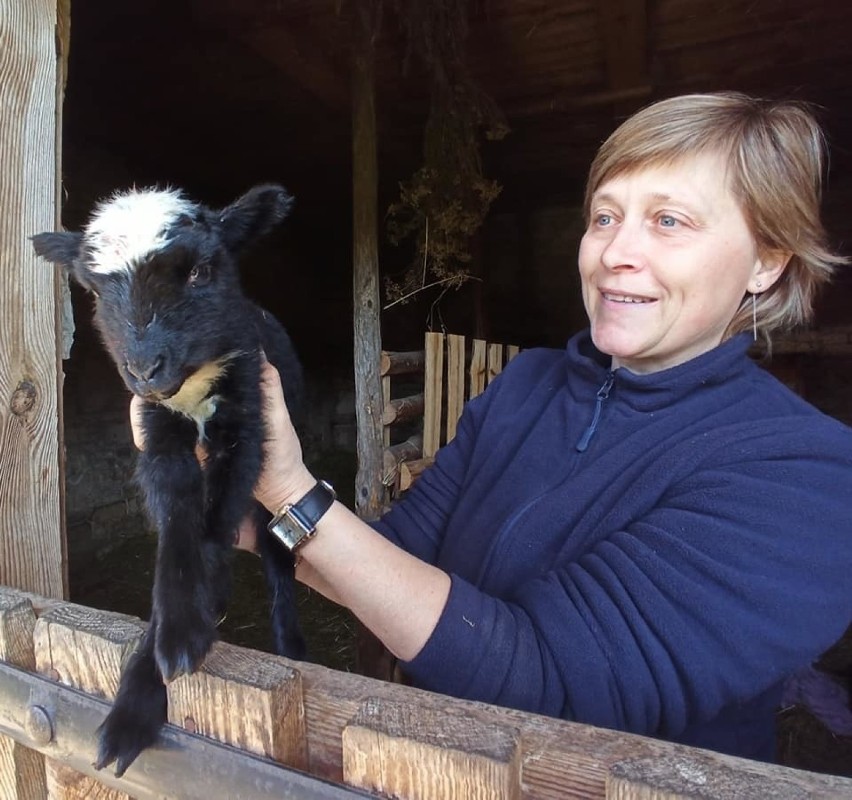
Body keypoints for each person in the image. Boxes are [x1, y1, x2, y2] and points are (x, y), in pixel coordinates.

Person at [135, 92, 852, 762]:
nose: (613, 253)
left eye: (669, 221)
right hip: (446, 768)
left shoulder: (807, 475)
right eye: (605, 216)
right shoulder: (527, 387)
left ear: (767, 260)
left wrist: (291, 487)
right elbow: (384, 561)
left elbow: (548, 682)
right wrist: (230, 502)